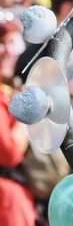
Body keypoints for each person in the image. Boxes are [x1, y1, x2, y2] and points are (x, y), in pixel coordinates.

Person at [0, 20, 36, 226]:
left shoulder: (9, 89)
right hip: (7, 201)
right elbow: (9, 153)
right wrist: (27, 110)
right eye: (1, 43)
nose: (8, 51)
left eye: (10, 43)